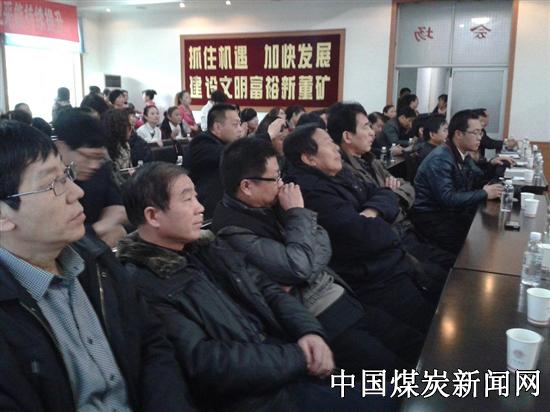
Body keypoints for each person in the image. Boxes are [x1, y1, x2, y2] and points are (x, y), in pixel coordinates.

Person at [118, 161, 394, 412]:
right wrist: (298, 356)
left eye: (196, 197)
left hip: (288, 365)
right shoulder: (146, 283)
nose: (200, 207)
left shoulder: (206, 246)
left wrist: (309, 331)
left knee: (391, 390)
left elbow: (266, 288)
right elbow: (207, 361)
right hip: (260, 398)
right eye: (187, 199)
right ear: (153, 216)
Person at [0, 121, 194, 411]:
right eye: (53, 184)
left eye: (66, 174)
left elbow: (151, 342)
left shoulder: (94, 256)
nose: (76, 192)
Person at [212, 138, 424, 374]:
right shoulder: (233, 230)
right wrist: (297, 213)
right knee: (396, 371)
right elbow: (298, 267)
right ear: (247, 186)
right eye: (275, 177)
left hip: (342, 294)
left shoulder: (271, 203)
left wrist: (303, 264)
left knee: (417, 343)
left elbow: (323, 240)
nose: (282, 184)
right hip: (318, 317)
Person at [284, 124, 439, 333]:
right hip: (373, 278)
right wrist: (381, 209)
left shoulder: (340, 174)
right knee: (429, 329)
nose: (336, 148)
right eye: (328, 143)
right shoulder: (310, 192)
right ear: (308, 158)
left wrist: (371, 212)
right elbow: (365, 235)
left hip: (394, 261)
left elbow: (384, 194)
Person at [328, 103, 454, 271]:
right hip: (392, 240)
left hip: (407, 230)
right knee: (446, 271)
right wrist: (389, 195)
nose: (372, 132)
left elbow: (408, 187)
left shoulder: (371, 160)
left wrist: (390, 197)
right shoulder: (344, 172)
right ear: (347, 136)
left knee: (452, 260)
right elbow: (373, 215)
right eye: (366, 127)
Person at [412, 110, 505, 254]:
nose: (479, 138)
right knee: (483, 241)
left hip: (452, 214)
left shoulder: (461, 153)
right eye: (475, 133)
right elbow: (448, 198)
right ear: (458, 134)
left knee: (492, 229)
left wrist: (492, 167)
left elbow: (477, 178)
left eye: (481, 133)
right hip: (434, 219)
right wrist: (485, 193)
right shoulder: (441, 158)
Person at [54, 108, 128, 248]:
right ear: (61, 147)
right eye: (87, 157)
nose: (94, 165)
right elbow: (55, 235)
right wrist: (96, 231)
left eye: (98, 158)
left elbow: (118, 211)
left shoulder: (101, 170)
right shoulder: (47, 183)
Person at [185, 103, 241, 218]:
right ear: (218, 127)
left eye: (240, 124)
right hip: (205, 210)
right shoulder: (202, 142)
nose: (240, 130)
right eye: (235, 125)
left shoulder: (224, 143)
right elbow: (228, 155)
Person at [102, 108, 133, 187]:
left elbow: (129, 168)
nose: (131, 129)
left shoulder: (125, 145)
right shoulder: (104, 151)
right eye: (128, 125)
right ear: (119, 128)